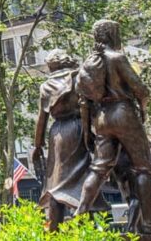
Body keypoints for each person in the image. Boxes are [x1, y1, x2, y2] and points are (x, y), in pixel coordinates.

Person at [75, 20, 151, 233]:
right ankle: (149, 225)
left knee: (99, 168)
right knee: (143, 168)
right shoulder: (117, 58)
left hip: (102, 118)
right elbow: (141, 89)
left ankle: (80, 211)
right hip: (123, 112)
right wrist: (143, 107)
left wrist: (88, 130)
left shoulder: (90, 62)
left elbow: (84, 98)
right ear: (113, 35)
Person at [31, 49, 107, 230]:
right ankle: (84, 229)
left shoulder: (46, 86)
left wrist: (37, 145)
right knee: (82, 180)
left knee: (55, 184)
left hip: (57, 134)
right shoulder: (78, 77)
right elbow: (92, 105)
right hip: (78, 128)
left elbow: (42, 118)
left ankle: (54, 230)